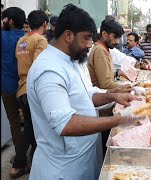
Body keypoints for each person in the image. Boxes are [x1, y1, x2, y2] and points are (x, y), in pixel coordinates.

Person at [26, 4, 142, 179]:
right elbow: (65, 124)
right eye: (86, 38)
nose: (90, 44)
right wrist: (119, 119)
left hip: (83, 157)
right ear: (68, 35)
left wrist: (113, 96)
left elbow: (85, 95)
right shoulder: (49, 69)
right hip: (62, 168)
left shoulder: (75, 60)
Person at [11, 10, 48, 178]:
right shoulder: (40, 40)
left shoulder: (21, 40)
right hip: (32, 90)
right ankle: (19, 164)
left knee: (29, 127)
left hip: (21, 88)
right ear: (45, 24)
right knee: (33, 128)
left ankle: (26, 162)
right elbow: (40, 68)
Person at [1, 6, 25, 171]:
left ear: (9, 21)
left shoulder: (2, 36)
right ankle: (28, 155)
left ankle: (20, 158)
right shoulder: (26, 38)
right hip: (24, 87)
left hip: (7, 86)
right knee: (30, 123)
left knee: (14, 123)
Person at [88, 17, 128, 90]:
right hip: (101, 96)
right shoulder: (100, 50)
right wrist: (128, 87)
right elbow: (105, 84)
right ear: (104, 34)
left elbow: (106, 76)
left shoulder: (104, 49)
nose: (117, 42)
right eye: (115, 37)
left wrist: (117, 73)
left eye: (119, 38)